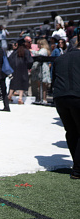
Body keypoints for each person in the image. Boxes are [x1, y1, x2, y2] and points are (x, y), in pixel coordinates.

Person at [52, 37, 80, 179]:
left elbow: (53, 81)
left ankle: (77, 166)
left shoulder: (59, 59)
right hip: (77, 96)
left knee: (71, 131)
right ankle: (77, 169)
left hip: (60, 98)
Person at [8, 39, 33, 105]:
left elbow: (10, 59)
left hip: (14, 69)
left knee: (13, 82)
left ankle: (9, 96)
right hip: (23, 68)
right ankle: (20, 98)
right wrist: (28, 67)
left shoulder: (15, 51)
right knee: (22, 82)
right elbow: (30, 61)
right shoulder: (26, 51)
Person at [31, 39, 51, 104]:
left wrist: (32, 51)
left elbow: (39, 54)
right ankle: (40, 98)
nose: (37, 45)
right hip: (39, 68)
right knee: (40, 84)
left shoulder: (44, 50)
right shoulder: (41, 50)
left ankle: (44, 98)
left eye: (39, 44)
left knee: (43, 84)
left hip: (43, 68)